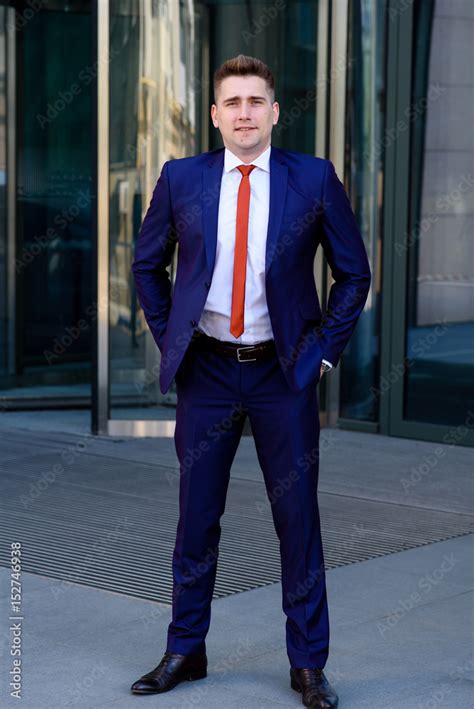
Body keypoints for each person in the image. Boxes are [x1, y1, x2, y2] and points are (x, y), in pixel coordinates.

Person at [130, 54, 371, 708]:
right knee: (196, 517)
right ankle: (186, 647)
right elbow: (147, 266)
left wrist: (322, 352)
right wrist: (170, 334)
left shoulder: (312, 179)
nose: (243, 112)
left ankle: (307, 665)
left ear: (273, 111)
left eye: (255, 101)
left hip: (282, 372)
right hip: (206, 370)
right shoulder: (182, 179)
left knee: (297, 520)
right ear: (214, 114)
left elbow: (354, 273)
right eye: (231, 101)